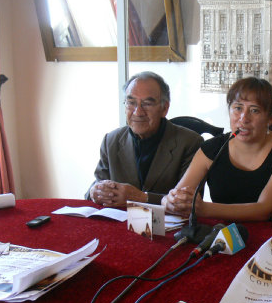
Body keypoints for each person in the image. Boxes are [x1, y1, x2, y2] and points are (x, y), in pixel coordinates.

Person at [162, 77, 272, 222]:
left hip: (268, 236)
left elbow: (263, 210)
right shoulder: (212, 148)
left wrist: (205, 208)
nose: (243, 118)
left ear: (270, 118)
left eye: (254, 110)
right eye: (238, 108)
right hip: (219, 232)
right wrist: (171, 201)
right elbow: (178, 194)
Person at [86, 71, 203, 207]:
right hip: (119, 222)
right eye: (131, 103)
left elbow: (189, 202)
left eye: (147, 104)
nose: (138, 112)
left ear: (164, 108)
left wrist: (142, 198)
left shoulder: (190, 143)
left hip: (167, 225)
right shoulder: (111, 141)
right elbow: (95, 187)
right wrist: (95, 191)